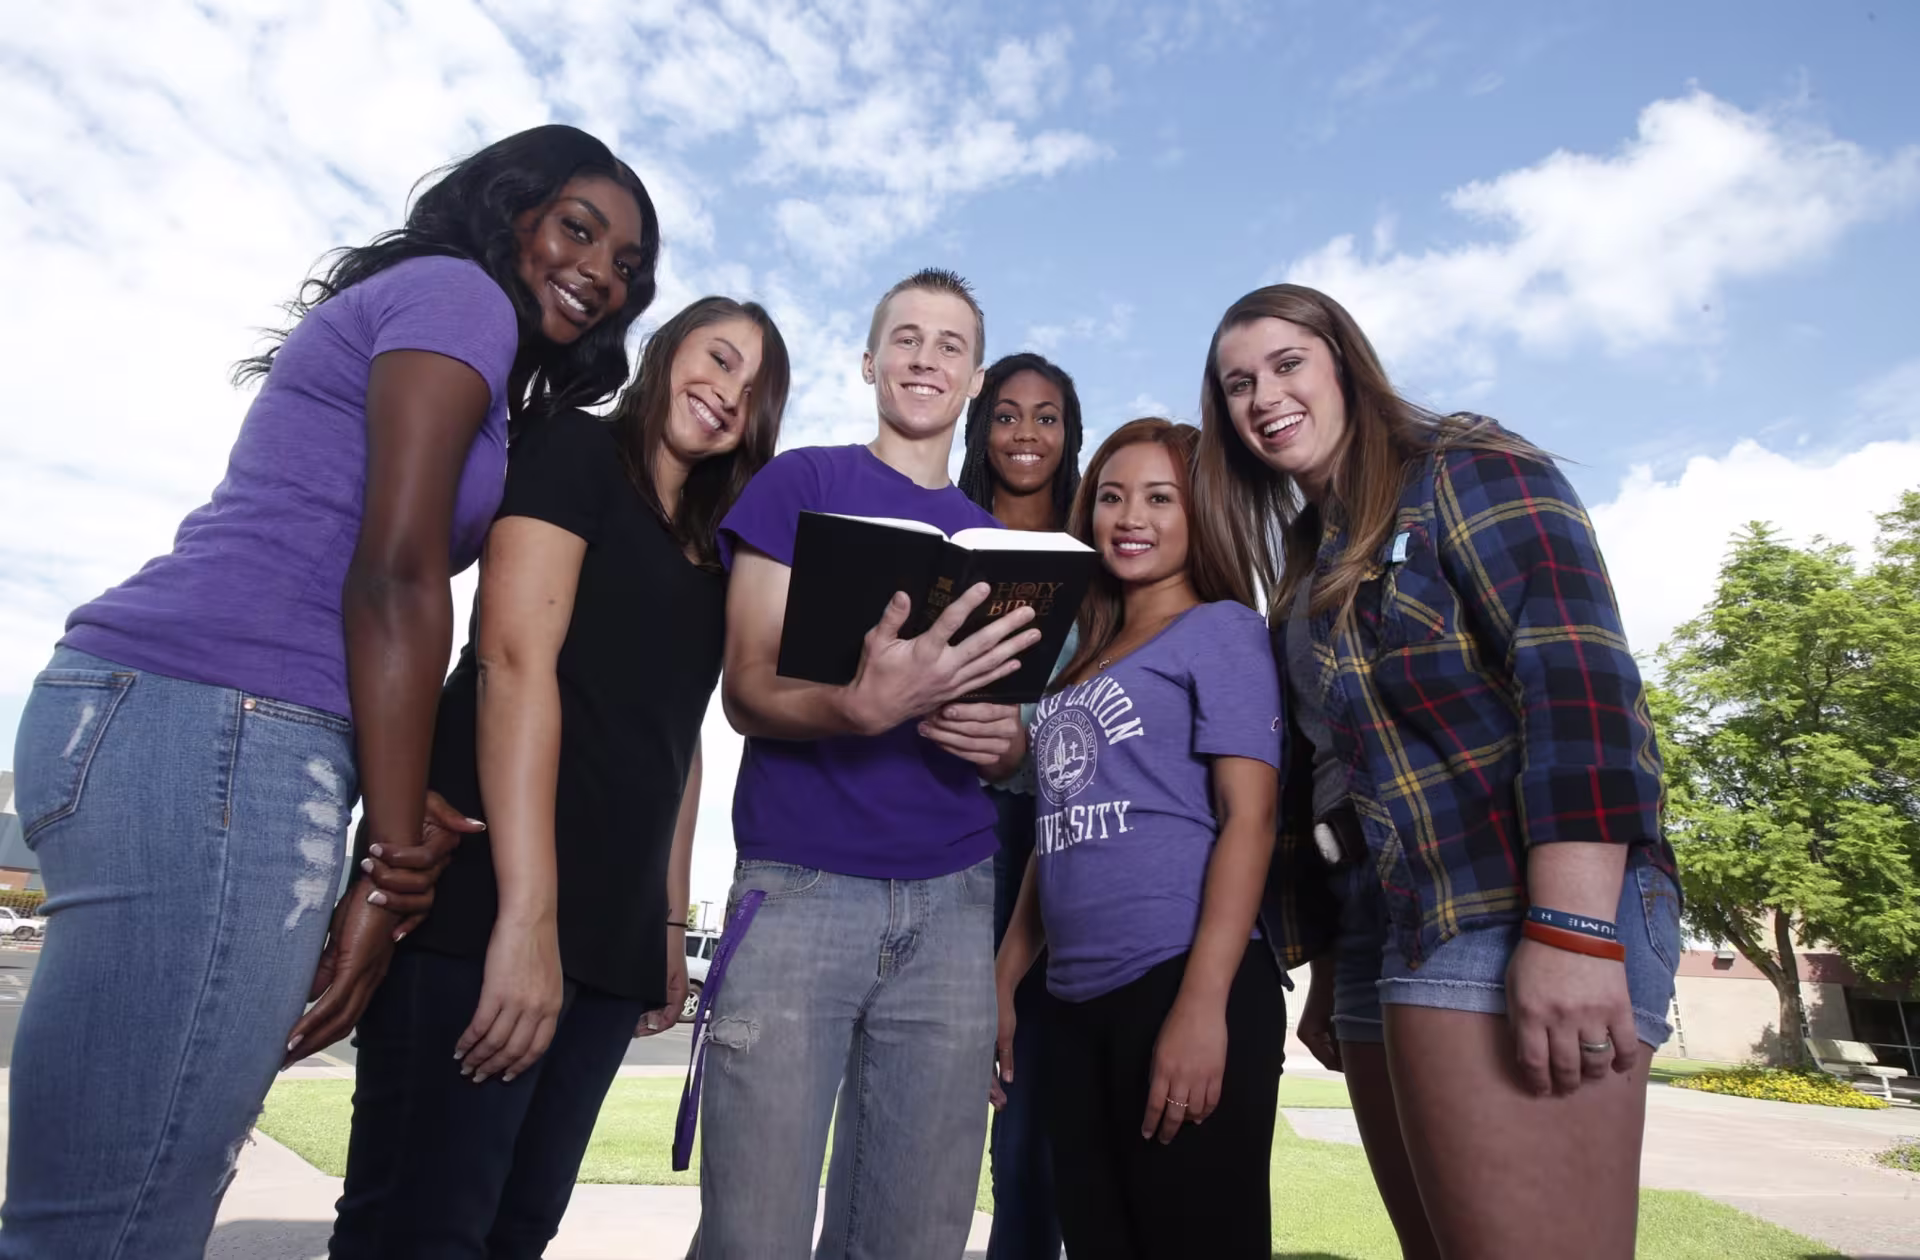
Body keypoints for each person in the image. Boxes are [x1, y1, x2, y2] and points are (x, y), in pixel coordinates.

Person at [2, 125, 659, 1259]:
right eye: (579, 229)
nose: (603, 274)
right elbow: (398, 578)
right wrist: (395, 865)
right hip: (217, 725)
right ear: (510, 213)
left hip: (174, 723)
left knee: (103, 1204)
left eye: (631, 266)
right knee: (118, 1221)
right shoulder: (462, 299)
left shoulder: (464, 339)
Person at [1195, 283, 1681, 1260]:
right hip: (1385, 924)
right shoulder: (1301, 561)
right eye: (1238, 383)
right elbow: (1335, 788)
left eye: (1287, 364)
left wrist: (1576, 931)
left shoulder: (1466, 470)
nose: (1264, 396)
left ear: (1343, 362)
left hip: (1518, 903)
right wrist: (1332, 964)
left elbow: (1577, 683)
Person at [327, 297, 788, 1256]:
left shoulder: (714, 550)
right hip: (490, 901)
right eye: (717, 357)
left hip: (611, 930)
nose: (725, 393)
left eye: (752, 391)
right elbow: (508, 660)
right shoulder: (574, 452)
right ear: (667, 350)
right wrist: (524, 921)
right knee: (422, 1223)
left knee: (521, 1225)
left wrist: (664, 921)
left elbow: (680, 738)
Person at [690, 268, 1039, 1259]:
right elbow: (747, 688)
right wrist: (855, 706)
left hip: (955, 903)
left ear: (973, 380)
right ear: (871, 361)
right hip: (800, 886)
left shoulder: (1003, 548)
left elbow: (1013, 734)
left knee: (914, 1234)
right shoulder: (800, 482)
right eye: (909, 338)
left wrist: (1010, 746)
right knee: (753, 1231)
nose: (927, 358)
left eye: (951, 346)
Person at [991, 418, 1287, 1259]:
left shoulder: (1222, 630)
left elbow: (1250, 820)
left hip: (1182, 981)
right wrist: (1005, 980)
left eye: (1162, 498)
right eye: (1113, 497)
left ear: (1202, 515)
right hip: (1076, 1003)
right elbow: (1060, 831)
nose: (1131, 516)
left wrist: (1202, 1007)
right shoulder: (1080, 661)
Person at [956, 351, 1083, 1260]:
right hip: (948, 822)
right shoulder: (944, 534)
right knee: (936, 1070)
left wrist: (1029, 741)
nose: (1026, 434)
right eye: (1006, 415)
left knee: (1032, 1097)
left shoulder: (1099, 550)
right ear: (980, 428)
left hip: (1061, 830)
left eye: (1046, 416)